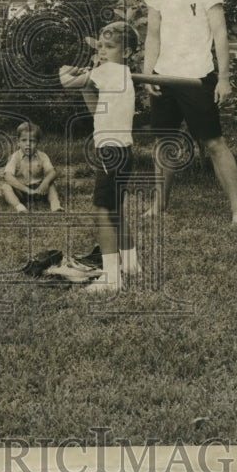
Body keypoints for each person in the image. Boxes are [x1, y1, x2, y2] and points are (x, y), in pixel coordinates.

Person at [142, 0, 237, 223]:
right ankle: (159, 206)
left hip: (197, 76)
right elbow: (153, 34)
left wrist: (224, 78)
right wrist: (148, 74)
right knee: (164, 143)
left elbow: (220, 33)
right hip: (164, 75)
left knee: (213, 143)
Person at [59, 21, 140, 293]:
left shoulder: (110, 70)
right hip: (123, 151)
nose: (103, 52)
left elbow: (65, 81)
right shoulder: (121, 74)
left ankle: (111, 278)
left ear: (126, 53)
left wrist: (67, 71)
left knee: (102, 212)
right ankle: (130, 264)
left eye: (110, 47)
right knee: (115, 209)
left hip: (110, 151)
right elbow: (97, 110)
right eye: (101, 47)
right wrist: (86, 84)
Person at [2, 122, 63, 213]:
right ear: (18, 142)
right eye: (24, 140)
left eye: (32, 141)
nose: (28, 144)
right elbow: (7, 176)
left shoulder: (42, 156)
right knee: (5, 187)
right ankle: (19, 207)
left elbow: (52, 172)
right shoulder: (15, 157)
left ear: (38, 142)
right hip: (22, 190)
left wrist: (45, 183)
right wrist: (27, 190)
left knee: (51, 185)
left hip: (39, 189)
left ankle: (55, 205)